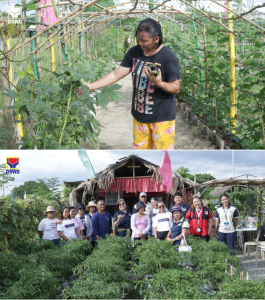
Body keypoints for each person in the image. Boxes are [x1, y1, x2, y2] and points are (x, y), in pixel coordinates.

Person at [76, 18, 180, 150]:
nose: (140, 43)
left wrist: (158, 82)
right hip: (139, 116)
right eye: (138, 39)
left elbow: (176, 88)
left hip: (162, 119)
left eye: (144, 41)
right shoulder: (134, 52)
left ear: (156, 39)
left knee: (161, 158)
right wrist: (90, 86)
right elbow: (116, 74)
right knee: (141, 159)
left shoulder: (168, 58)